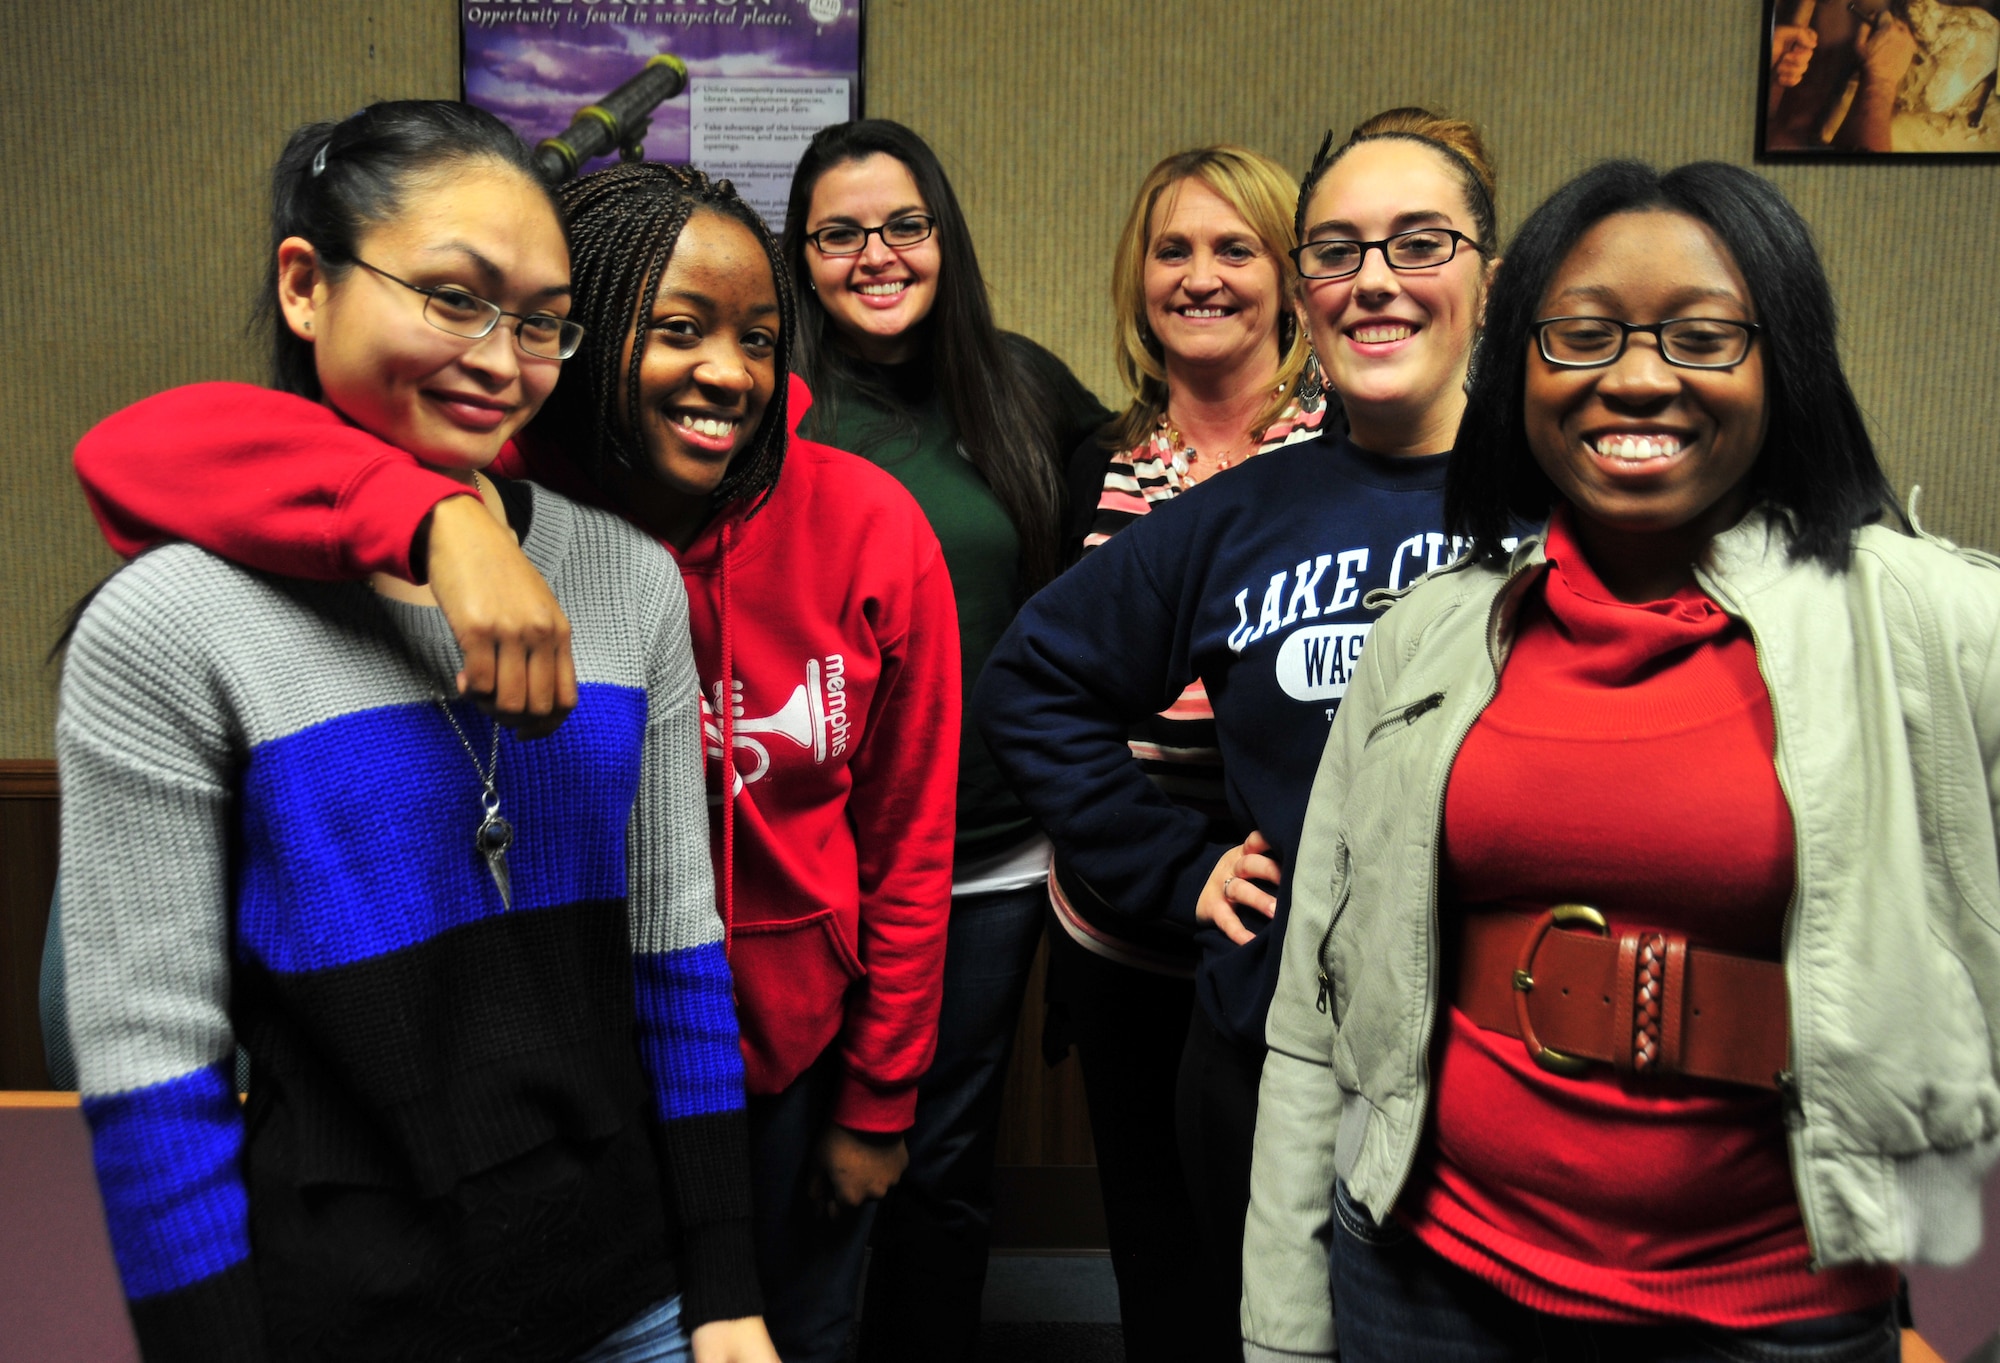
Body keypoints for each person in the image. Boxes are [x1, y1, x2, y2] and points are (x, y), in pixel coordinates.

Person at [68, 160, 960, 1362]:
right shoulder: (501, 478)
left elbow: (906, 836)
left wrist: (877, 1091)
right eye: (680, 327)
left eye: (759, 337)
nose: (729, 371)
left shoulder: (844, 522)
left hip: (775, 1052)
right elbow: (148, 446)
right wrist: (439, 521)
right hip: (508, 1104)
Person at [1243, 158, 2000, 1363]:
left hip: (1773, 1314)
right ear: (1521, 368)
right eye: (1581, 334)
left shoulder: (1932, 624)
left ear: (1781, 361)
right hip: (1427, 1280)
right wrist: (1283, 1334)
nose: (1638, 376)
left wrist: (1965, 1313)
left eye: (1701, 336)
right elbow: (1317, 1025)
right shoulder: (1425, 634)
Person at [976, 106, 1500, 1350]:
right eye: (1338, 251)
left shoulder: (1563, 487)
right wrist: (1178, 865)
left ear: (1489, 271)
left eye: (1418, 244)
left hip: (1497, 1035)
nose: (1372, 281)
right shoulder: (1235, 512)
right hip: (1275, 1027)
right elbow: (1028, 681)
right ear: (1311, 290)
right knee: (1231, 1320)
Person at [776, 118, 1109, 1363]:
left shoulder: (1021, 388)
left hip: (986, 858)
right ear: (799, 258)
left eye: (903, 226)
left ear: (942, 238)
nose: (877, 254)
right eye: (840, 233)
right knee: (801, 1140)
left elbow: (1154, 507)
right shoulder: (772, 405)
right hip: (809, 858)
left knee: (940, 1154)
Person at [1044, 143, 1321, 1363]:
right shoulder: (1086, 459)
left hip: (1296, 946)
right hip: (1120, 930)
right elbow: (1044, 689)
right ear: (1135, 276)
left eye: (1233, 249)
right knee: (1155, 1257)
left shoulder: (1342, 463)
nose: (1199, 276)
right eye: (1172, 249)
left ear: (1288, 281)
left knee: (1292, 1260)